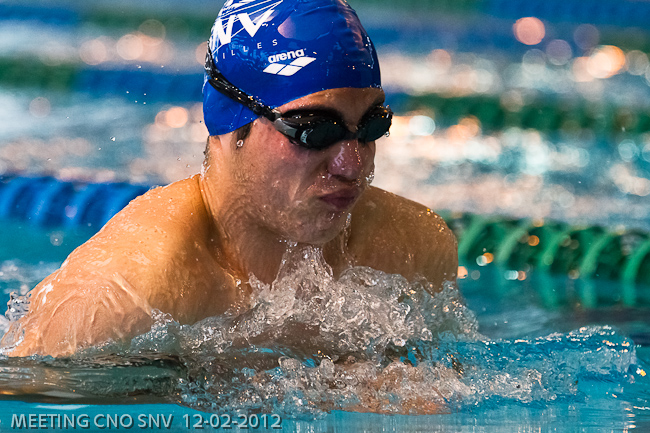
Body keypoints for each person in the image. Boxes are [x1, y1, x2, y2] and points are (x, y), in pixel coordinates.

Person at [1, 0, 457, 358]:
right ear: (229, 124)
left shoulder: (412, 249)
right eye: (315, 130)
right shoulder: (131, 290)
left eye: (372, 126)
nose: (351, 165)